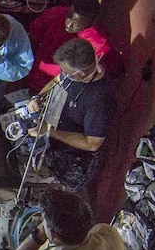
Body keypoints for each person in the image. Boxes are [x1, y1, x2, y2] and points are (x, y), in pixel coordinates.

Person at [27, 38, 116, 193]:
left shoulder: (100, 100)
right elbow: (57, 81)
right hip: (59, 126)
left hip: (75, 149)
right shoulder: (72, 74)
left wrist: (49, 131)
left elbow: (92, 143)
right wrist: (38, 98)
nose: (63, 74)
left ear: (81, 73)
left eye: (66, 72)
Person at [26, 0, 116, 93]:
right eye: (69, 16)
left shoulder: (98, 45)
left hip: (59, 90)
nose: (69, 24)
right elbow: (33, 35)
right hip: (32, 75)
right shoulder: (56, 13)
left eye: (76, 24)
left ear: (91, 22)